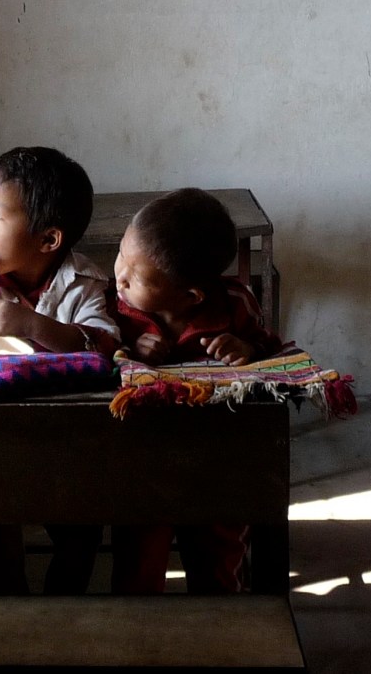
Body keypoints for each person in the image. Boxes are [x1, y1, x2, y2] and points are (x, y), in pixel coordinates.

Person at [0, 146, 120, 595]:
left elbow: (104, 347)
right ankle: (7, 601)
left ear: (48, 240)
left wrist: (33, 325)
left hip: (69, 441)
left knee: (80, 529)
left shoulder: (83, 282)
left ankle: (64, 604)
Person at [109, 187, 285, 595]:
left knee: (219, 563)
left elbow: (273, 352)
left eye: (136, 276)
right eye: (120, 255)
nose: (119, 276)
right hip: (143, 460)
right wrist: (128, 349)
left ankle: (221, 629)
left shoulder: (235, 304)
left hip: (219, 459)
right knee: (138, 566)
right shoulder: (116, 307)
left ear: (191, 296)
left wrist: (247, 349)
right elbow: (98, 353)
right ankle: (136, 631)